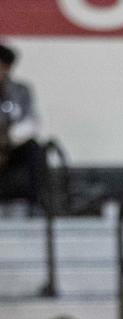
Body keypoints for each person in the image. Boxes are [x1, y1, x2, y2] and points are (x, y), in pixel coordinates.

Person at [0, 42, 45, 204]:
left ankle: (36, 202)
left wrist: (10, 137)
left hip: (10, 144)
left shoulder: (20, 91)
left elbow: (31, 120)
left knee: (34, 150)